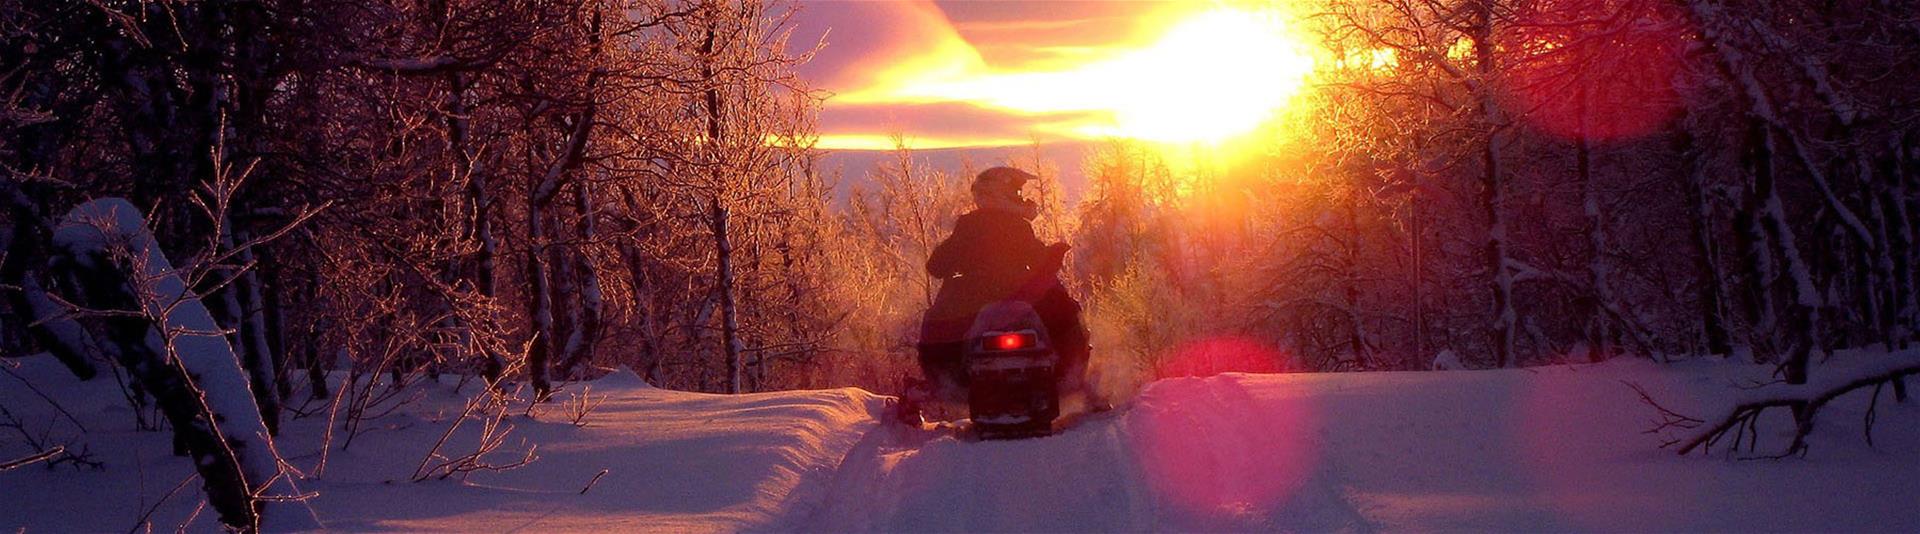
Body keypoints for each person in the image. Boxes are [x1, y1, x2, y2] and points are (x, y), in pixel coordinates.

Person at [901, 166, 1093, 422]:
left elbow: (936, 266)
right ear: (998, 193)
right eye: (1015, 192)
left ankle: (944, 381)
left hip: (970, 299)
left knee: (936, 327)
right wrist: (1054, 255)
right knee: (1069, 313)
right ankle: (1070, 375)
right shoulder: (1017, 227)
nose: (1022, 199)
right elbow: (1038, 261)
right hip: (1018, 295)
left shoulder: (967, 226)